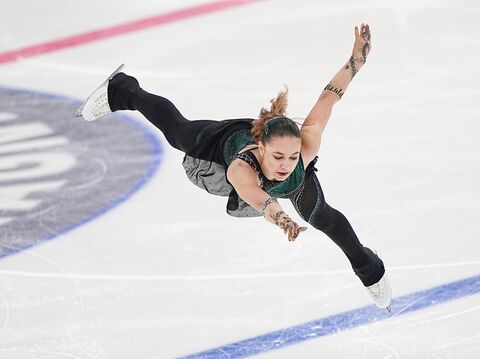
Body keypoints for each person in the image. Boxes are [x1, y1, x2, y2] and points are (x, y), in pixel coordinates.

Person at [76, 23, 392, 312]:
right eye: (278, 157)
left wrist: (356, 59)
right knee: (177, 133)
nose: (285, 166)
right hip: (220, 143)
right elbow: (260, 199)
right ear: (262, 147)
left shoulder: (306, 146)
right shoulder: (243, 168)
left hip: (276, 157)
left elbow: (329, 97)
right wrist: (281, 218)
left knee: (321, 215)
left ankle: (369, 269)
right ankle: (123, 90)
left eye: (292, 157)